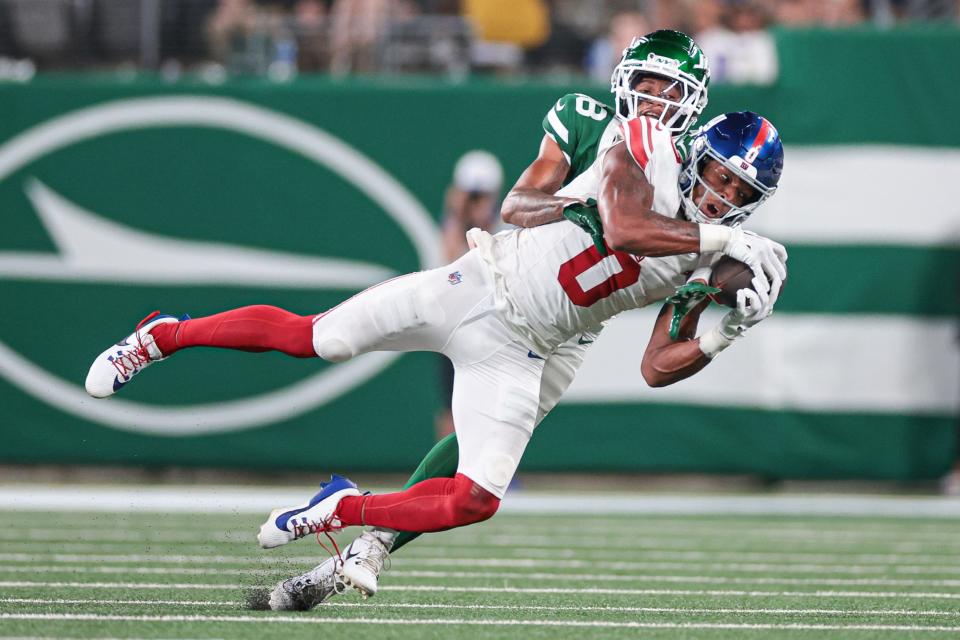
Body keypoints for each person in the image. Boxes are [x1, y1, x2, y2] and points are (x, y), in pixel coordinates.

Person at [83, 30, 786, 607]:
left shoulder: (706, 247)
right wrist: (700, 238)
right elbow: (601, 220)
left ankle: (351, 519)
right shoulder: (642, 145)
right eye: (720, 174)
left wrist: (724, 331)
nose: (722, 195)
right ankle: (162, 335)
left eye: (738, 192)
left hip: (541, 345)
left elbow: (657, 365)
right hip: (484, 283)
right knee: (320, 338)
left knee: (477, 495)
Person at [436, 150, 505, 439]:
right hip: (456, 324)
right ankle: (446, 476)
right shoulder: (452, 225)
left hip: (492, 325)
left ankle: (493, 472)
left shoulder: (506, 222)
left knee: (495, 404)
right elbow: (450, 263)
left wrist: (482, 221)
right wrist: (458, 215)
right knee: (451, 405)